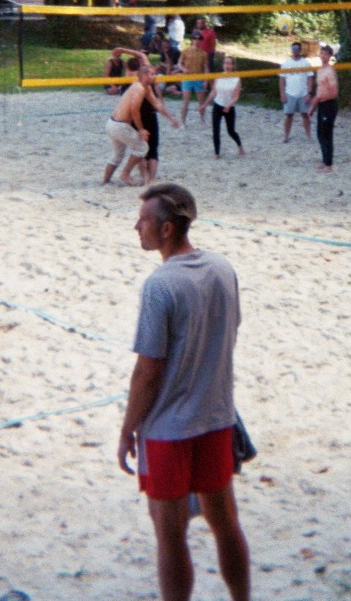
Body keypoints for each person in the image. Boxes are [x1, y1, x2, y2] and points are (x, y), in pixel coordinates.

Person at [117, 183, 250, 601]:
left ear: (168, 229)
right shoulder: (222, 268)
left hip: (169, 428)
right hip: (216, 417)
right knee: (225, 519)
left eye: (144, 221)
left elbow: (148, 370)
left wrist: (127, 429)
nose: (137, 227)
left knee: (169, 531)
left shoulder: (161, 285)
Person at [104, 54, 152, 186]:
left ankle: (105, 181)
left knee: (117, 155)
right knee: (142, 148)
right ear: (145, 76)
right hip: (120, 125)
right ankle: (125, 173)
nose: (153, 77)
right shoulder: (140, 88)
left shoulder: (137, 85)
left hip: (111, 123)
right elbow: (134, 110)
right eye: (151, 74)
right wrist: (141, 129)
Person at [138, 59, 182, 182]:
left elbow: (158, 105)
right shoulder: (148, 87)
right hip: (147, 119)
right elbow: (159, 105)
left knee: (143, 150)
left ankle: (147, 177)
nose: (155, 76)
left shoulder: (142, 86)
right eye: (152, 74)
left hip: (142, 120)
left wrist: (171, 118)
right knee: (149, 149)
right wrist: (171, 118)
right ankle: (149, 178)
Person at [202, 56, 245, 158]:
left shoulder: (236, 79)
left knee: (231, 131)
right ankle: (217, 153)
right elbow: (213, 92)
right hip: (217, 105)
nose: (227, 65)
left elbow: (236, 96)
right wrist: (204, 104)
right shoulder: (219, 76)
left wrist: (229, 105)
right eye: (225, 63)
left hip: (229, 108)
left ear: (233, 65)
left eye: (229, 63)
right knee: (215, 130)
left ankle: (240, 145)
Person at [309, 45, 340, 171]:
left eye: (326, 54)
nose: (323, 56)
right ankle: (325, 160)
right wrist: (313, 105)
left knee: (326, 134)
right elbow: (319, 89)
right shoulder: (320, 70)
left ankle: (329, 164)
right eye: (322, 53)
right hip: (322, 104)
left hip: (329, 104)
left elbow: (334, 92)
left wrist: (319, 99)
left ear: (330, 56)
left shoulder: (330, 72)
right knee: (320, 133)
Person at [278, 42, 314, 143]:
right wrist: (282, 94)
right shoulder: (286, 64)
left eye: (297, 48)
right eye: (293, 48)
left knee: (305, 115)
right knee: (289, 115)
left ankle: (308, 135)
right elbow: (282, 80)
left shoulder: (305, 63)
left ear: (300, 50)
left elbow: (310, 78)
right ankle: (286, 136)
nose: (295, 50)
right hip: (290, 93)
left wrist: (309, 93)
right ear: (291, 49)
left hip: (303, 93)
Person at [177, 35, 210, 126]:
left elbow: (206, 68)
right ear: (192, 39)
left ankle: (202, 119)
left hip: (198, 78)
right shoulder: (185, 51)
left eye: (199, 39)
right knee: (185, 101)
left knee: (201, 101)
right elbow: (179, 63)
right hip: (187, 78)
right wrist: (184, 69)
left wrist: (206, 81)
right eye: (195, 38)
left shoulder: (203, 53)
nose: (197, 40)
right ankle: (183, 122)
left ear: (201, 41)